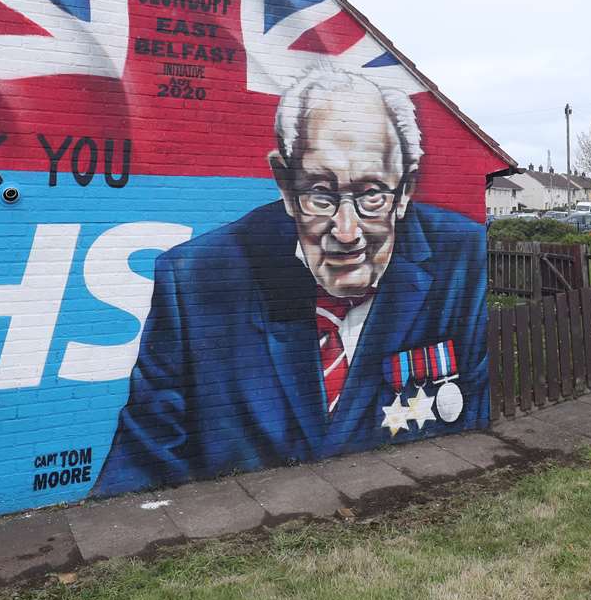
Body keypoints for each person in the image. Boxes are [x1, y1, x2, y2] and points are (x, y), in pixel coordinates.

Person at [94, 64, 487, 494]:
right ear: (284, 183)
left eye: (372, 194)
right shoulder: (196, 280)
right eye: (320, 192)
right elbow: (140, 468)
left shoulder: (461, 259)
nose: (346, 231)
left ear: (406, 189)